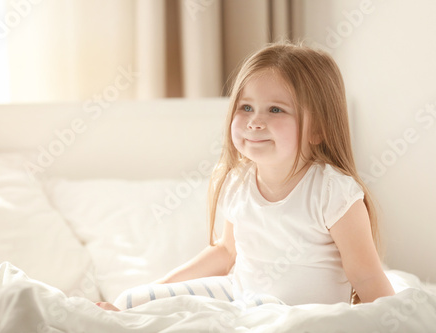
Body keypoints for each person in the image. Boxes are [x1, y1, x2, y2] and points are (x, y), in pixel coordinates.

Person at [97, 42, 395, 311]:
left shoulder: (332, 191)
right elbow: (226, 251)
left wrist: (397, 322)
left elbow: (367, 277)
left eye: (276, 109)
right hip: (242, 296)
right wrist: (159, 289)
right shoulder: (237, 181)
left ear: (318, 129)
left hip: (296, 313)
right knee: (130, 300)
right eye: (246, 107)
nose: (255, 121)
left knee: (260, 310)